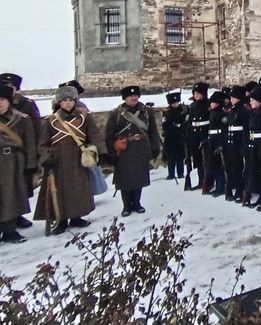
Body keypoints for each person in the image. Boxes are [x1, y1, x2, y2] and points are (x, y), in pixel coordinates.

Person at [34, 85, 106, 235]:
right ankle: (61, 220)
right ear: (59, 102)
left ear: (75, 101)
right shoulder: (51, 121)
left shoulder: (85, 117)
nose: (67, 103)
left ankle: (76, 217)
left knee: (78, 189)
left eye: (70, 100)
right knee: (59, 191)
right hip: (57, 161)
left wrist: (102, 153)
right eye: (64, 100)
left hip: (78, 159)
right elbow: (43, 143)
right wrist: (46, 157)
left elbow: (95, 136)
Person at [105, 85, 161, 217]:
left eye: (136, 95)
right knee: (124, 179)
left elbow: (153, 131)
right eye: (131, 96)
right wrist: (111, 153)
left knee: (139, 177)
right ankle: (126, 206)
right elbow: (109, 135)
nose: (134, 98)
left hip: (141, 148)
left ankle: (136, 203)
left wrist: (155, 147)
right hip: (123, 150)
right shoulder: (116, 113)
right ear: (125, 98)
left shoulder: (146, 111)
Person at [0, 72, 41, 230]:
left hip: (16, 159)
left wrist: (32, 161)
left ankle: (14, 219)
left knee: (16, 191)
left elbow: (33, 133)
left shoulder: (25, 108)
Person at [224, 85, 250, 203]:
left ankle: (240, 192)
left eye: (234, 97)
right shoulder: (231, 109)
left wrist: (243, 146)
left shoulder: (244, 110)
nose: (231, 99)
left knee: (240, 169)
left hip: (239, 142)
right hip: (231, 142)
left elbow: (245, 129)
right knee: (231, 167)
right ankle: (232, 189)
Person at [186, 82, 210, 192]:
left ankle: (208, 181)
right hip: (195, 135)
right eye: (195, 93)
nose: (196, 95)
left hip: (204, 133)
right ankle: (201, 181)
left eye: (198, 93)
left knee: (206, 160)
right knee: (198, 160)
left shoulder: (208, 105)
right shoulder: (192, 106)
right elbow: (190, 121)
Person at [161, 90, 189, 183]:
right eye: (173, 103)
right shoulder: (167, 112)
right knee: (171, 157)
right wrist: (174, 126)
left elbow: (186, 123)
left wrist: (181, 127)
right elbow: (165, 125)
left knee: (180, 157)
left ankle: (180, 173)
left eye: (177, 102)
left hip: (180, 137)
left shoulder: (183, 110)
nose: (175, 104)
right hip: (170, 137)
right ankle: (171, 174)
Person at [206, 91, 227, 197]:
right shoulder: (212, 112)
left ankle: (220, 186)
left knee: (218, 165)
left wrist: (220, 143)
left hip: (218, 139)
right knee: (212, 164)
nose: (211, 104)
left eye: (213, 102)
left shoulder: (222, 114)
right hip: (211, 140)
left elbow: (224, 130)